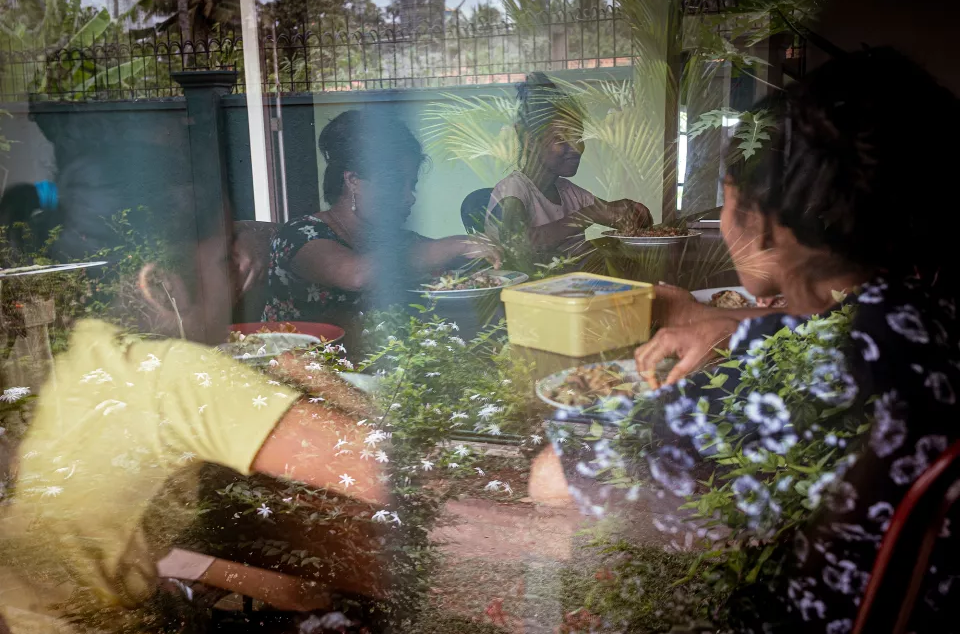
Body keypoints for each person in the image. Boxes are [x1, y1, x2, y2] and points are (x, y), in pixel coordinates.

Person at [530, 47, 960, 632]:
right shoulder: (925, 310)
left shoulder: (805, 366)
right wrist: (732, 327)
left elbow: (557, 481)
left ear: (759, 216)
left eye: (728, 193)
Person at [0, 159, 393, 633]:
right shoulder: (179, 374)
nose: (246, 268)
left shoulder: (88, 353)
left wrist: (272, 586)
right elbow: (382, 470)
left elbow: (129, 542)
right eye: (227, 257)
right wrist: (320, 379)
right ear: (160, 286)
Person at [262, 110, 499, 328]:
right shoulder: (299, 234)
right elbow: (357, 275)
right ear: (353, 180)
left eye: (412, 185)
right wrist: (458, 244)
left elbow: (459, 268)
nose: (409, 197)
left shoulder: (400, 240)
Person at [485, 72, 653, 255]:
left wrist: (630, 211)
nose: (576, 148)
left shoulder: (568, 192)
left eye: (578, 137)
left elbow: (615, 215)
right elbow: (516, 245)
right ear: (531, 141)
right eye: (561, 138)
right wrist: (588, 215)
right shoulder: (513, 189)